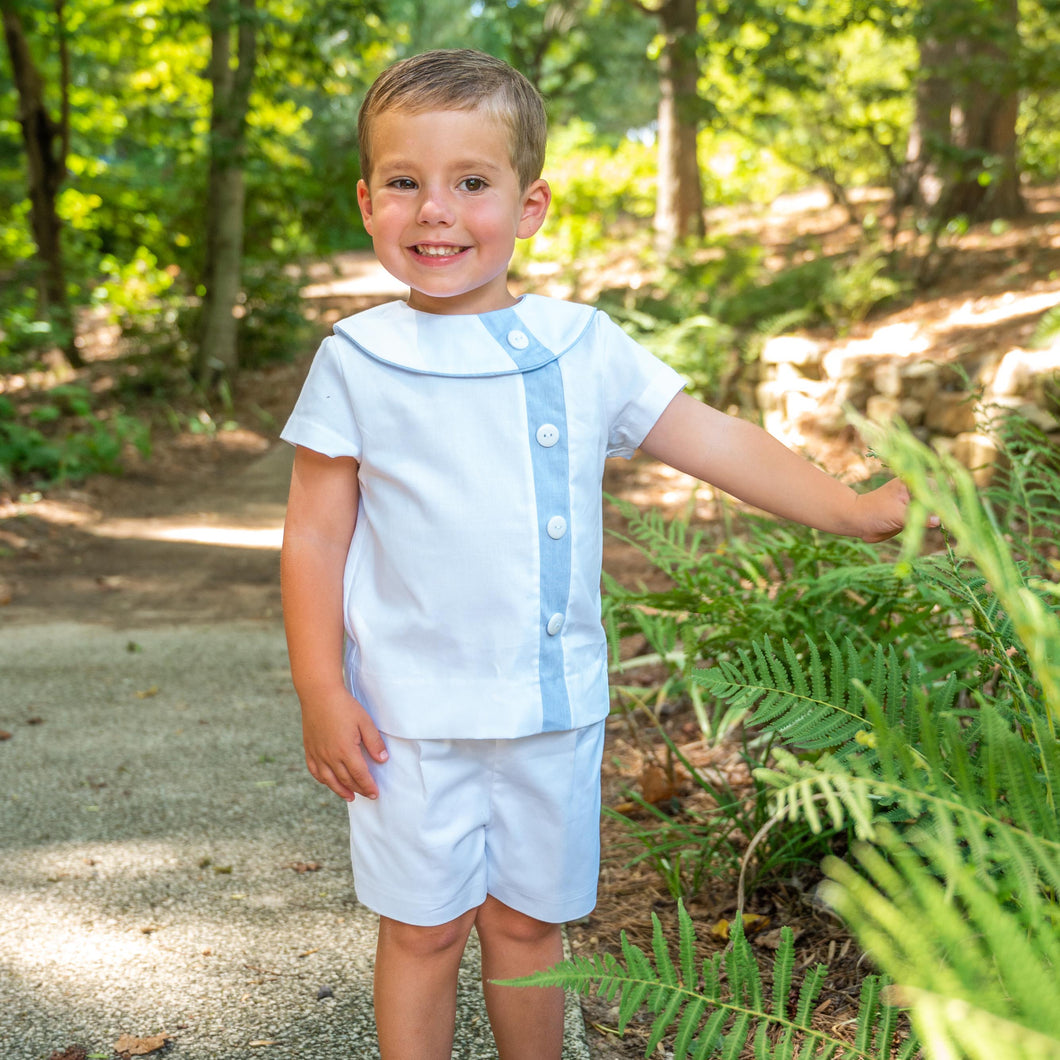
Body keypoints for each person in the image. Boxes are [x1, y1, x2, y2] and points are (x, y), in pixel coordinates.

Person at [279, 48, 917, 1060]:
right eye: (405, 182)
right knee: (424, 928)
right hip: (407, 718)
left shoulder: (583, 346)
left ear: (529, 206)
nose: (435, 210)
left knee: (529, 928)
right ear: (367, 202)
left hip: (549, 708)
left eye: (471, 183)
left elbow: (712, 438)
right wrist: (321, 688)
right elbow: (314, 533)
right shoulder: (358, 360)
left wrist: (846, 509)